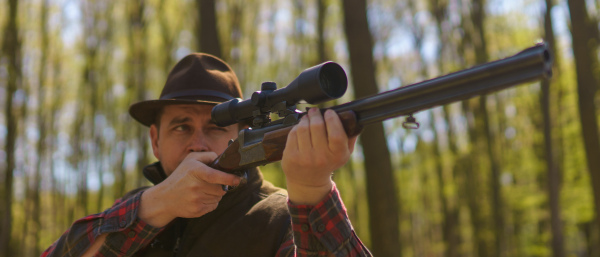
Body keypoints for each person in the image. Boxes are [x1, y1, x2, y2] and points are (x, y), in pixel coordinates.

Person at [42, 53, 371, 256]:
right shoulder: (133, 212)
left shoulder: (280, 217)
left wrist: (312, 191)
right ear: (155, 140)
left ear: (242, 134)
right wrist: (158, 204)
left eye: (215, 127)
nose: (198, 143)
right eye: (181, 127)